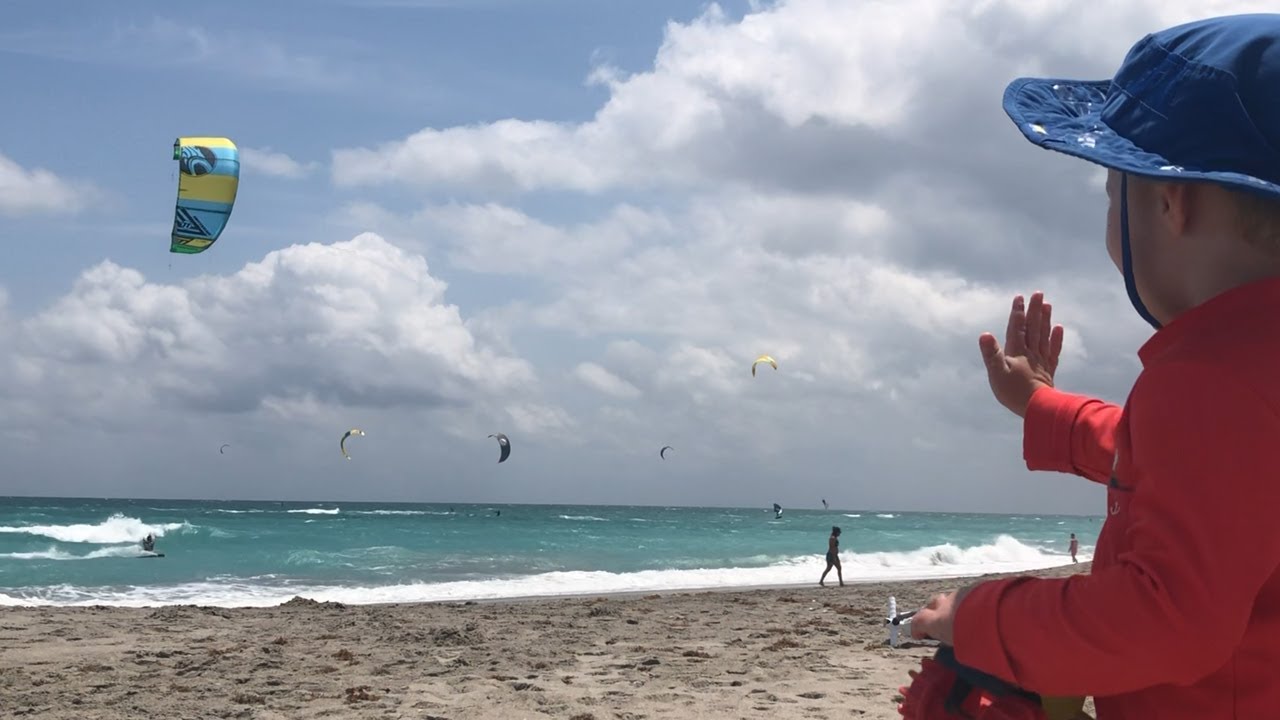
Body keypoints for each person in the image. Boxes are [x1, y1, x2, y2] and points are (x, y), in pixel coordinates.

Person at [909, 13, 1280, 719]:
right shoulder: (1254, 376)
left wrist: (979, 616)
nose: (1110, 216)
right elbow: (1175, 460)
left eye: (1114, 192)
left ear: (1171, 203)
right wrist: (1040, 404)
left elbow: (1171, 619)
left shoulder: (1208, 380)